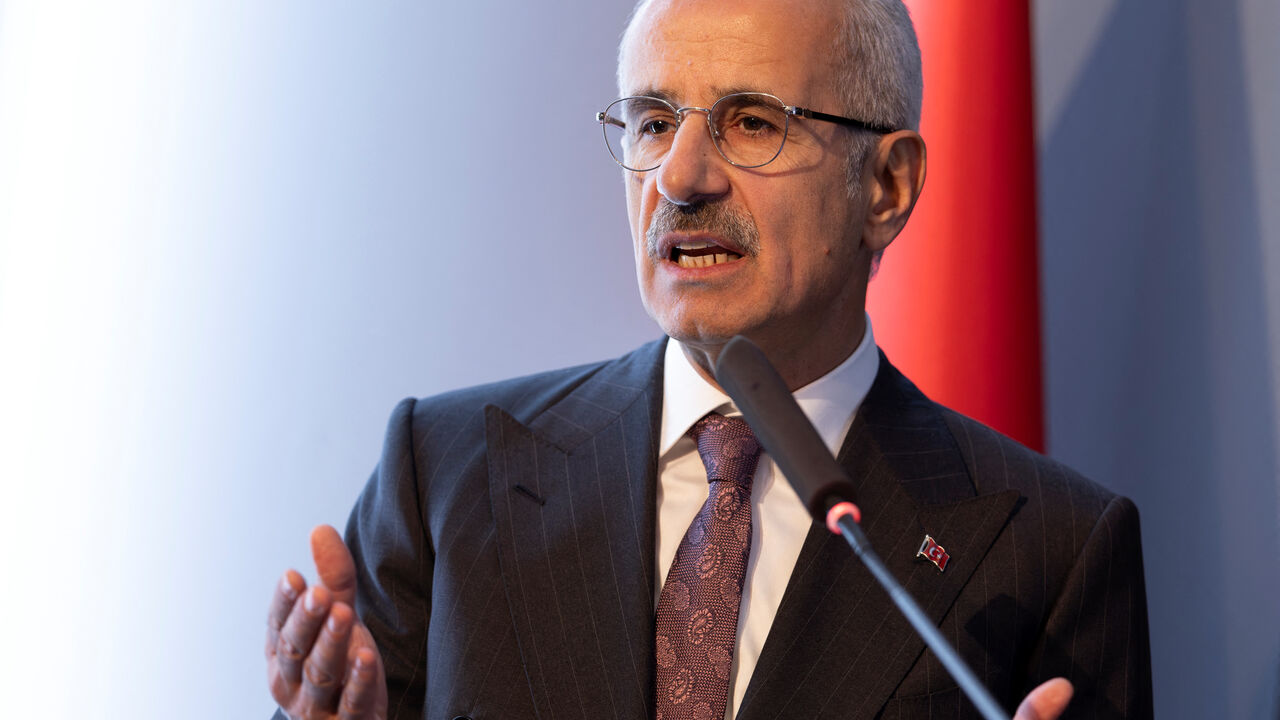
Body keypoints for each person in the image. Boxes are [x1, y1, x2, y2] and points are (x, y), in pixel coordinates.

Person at [264, 0, 1153, 718]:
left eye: (752, 122)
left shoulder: (1051, 550)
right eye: (654, 122)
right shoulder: (448, 473)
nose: (681, 177)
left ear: (887, 187)